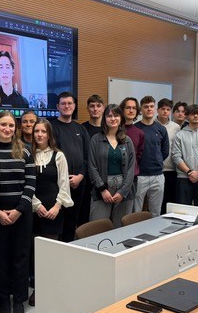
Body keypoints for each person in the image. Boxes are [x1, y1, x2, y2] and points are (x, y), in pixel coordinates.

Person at [0, 112, 36, 313]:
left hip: (21, 215)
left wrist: (18, 210)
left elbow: (31, 183)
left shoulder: (25, 151)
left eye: (10, 125)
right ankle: (3, 301)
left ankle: (18, 300)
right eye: (3, 125)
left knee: (20, 257)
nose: (7, 129)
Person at [30, 119, 73, 305]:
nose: (40, 134)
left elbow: (64, 184)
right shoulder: (28, 155)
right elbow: (26, 183)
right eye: (36, 131)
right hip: (34, 209)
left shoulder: (58, 156)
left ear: (49, 135)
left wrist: (57, 206)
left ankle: (50, 287)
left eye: (43, 131)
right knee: (35, 251)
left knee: (50, 252)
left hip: (54, 209)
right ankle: (37, 288)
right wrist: (36, 205)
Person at [50, 92, 90, 241]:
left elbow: (88, 157)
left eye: (69, 103)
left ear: (74, 106)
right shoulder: (51, 127)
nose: (66, 106)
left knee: (72, 222)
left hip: (78, 184)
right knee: (57, 223)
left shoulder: (81, 129)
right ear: (57, 106)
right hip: (58, 185)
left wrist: (80, 176)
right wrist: (63, 180)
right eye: (63, 103)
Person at [88, 104, 136, 227]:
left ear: (121, 118)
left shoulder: (127, 141)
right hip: (102, 190)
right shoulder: (96, 140)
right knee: (97, 228)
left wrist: (122, 192)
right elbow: (92, 166)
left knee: (121, 229)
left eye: (116, 115)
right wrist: (102, 190)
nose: (113, 119)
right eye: (109, 116)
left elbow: (131, 168)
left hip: (124, 192)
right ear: (104, 119)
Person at [133, 96, 169, 217]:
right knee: (136, 212)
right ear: (141, 110)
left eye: (151, 106)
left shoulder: (161, 129)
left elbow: (165, 151)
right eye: (146, 107)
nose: (149, 109)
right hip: (139, 176)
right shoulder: (135, 128)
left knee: (155, 213)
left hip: (157, 175)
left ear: (155, 109)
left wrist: (156, 161)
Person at [79, 94, 105, 225]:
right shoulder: (81, 128)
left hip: (103, 179)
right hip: (86, 179)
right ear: (87, 109)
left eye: (98, 106)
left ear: (103, 108)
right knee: (83, 215)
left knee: (101, 217)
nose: (95, 109)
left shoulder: (108, 129)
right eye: (92, 106)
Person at [156, 98, 180, 213]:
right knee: (157, 202)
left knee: (169, 200)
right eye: (163, 109)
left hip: (170, 168)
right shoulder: (151, 124)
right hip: (155, 169)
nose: (165, 112)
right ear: (157, 110)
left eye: (168, 109)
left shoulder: (176, 127)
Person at [119, 97, 145, 181]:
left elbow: (138, 156)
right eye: (128, 108)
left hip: (132, 176)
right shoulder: (115, 130)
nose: (131, 110)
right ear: (122, 110)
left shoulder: (139, 133)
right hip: (116, 175)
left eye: (134, 108)